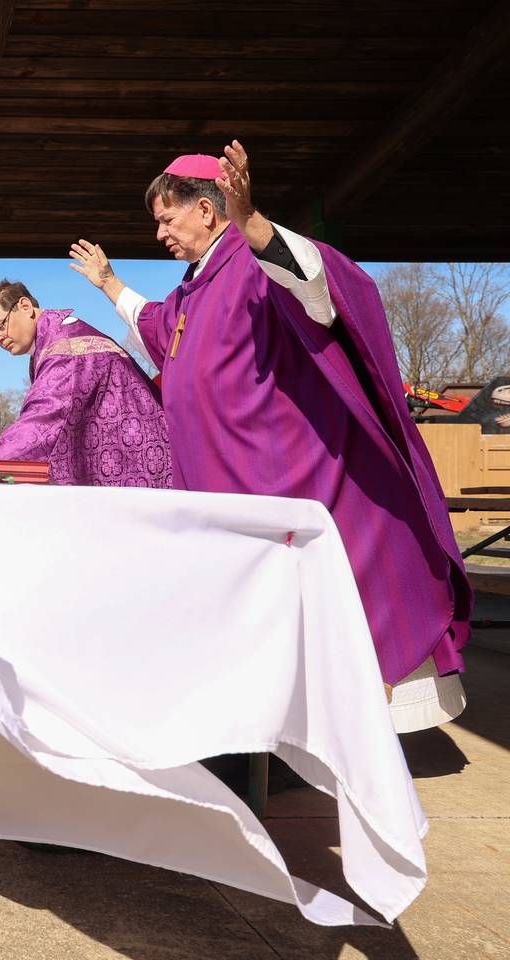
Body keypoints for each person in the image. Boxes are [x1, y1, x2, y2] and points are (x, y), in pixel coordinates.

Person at [69, 142, 471, 733]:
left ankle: (348, 740)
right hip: (224, 493)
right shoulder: (190, 292)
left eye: (166, 219)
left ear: (207, 210)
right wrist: (109, 284)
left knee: (331, 627)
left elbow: (321, 289)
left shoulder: (256, 264)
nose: (159, 234)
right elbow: (152, 324)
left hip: (291, 485)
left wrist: (251, 219)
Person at [0, 281, 172, 487]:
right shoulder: (53, 341)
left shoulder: (65, 349)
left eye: (0, 326)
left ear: (25, 306)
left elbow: (41, 424)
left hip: (141, 466)